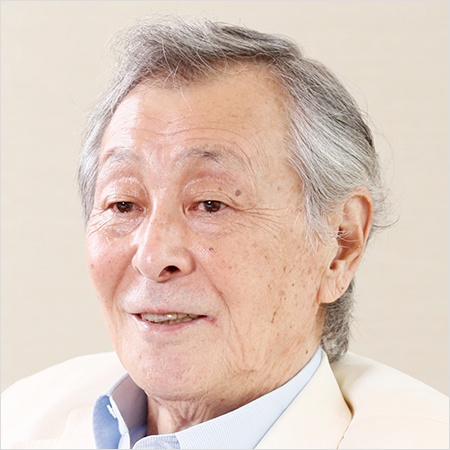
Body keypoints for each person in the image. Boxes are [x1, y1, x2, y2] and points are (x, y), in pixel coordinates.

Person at [1, 17, 448, 450]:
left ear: (340, 245)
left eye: (211, 204)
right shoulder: (18, 416)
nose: (152, 257)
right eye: (123, 204)